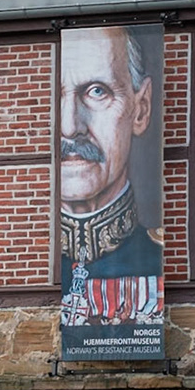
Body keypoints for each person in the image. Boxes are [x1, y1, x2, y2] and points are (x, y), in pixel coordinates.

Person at [59, 25, 162, 336]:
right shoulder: (21, 258)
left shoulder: (155, 255)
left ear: (140, 109)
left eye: (96, 92)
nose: (69, 126)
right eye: (53, 94)